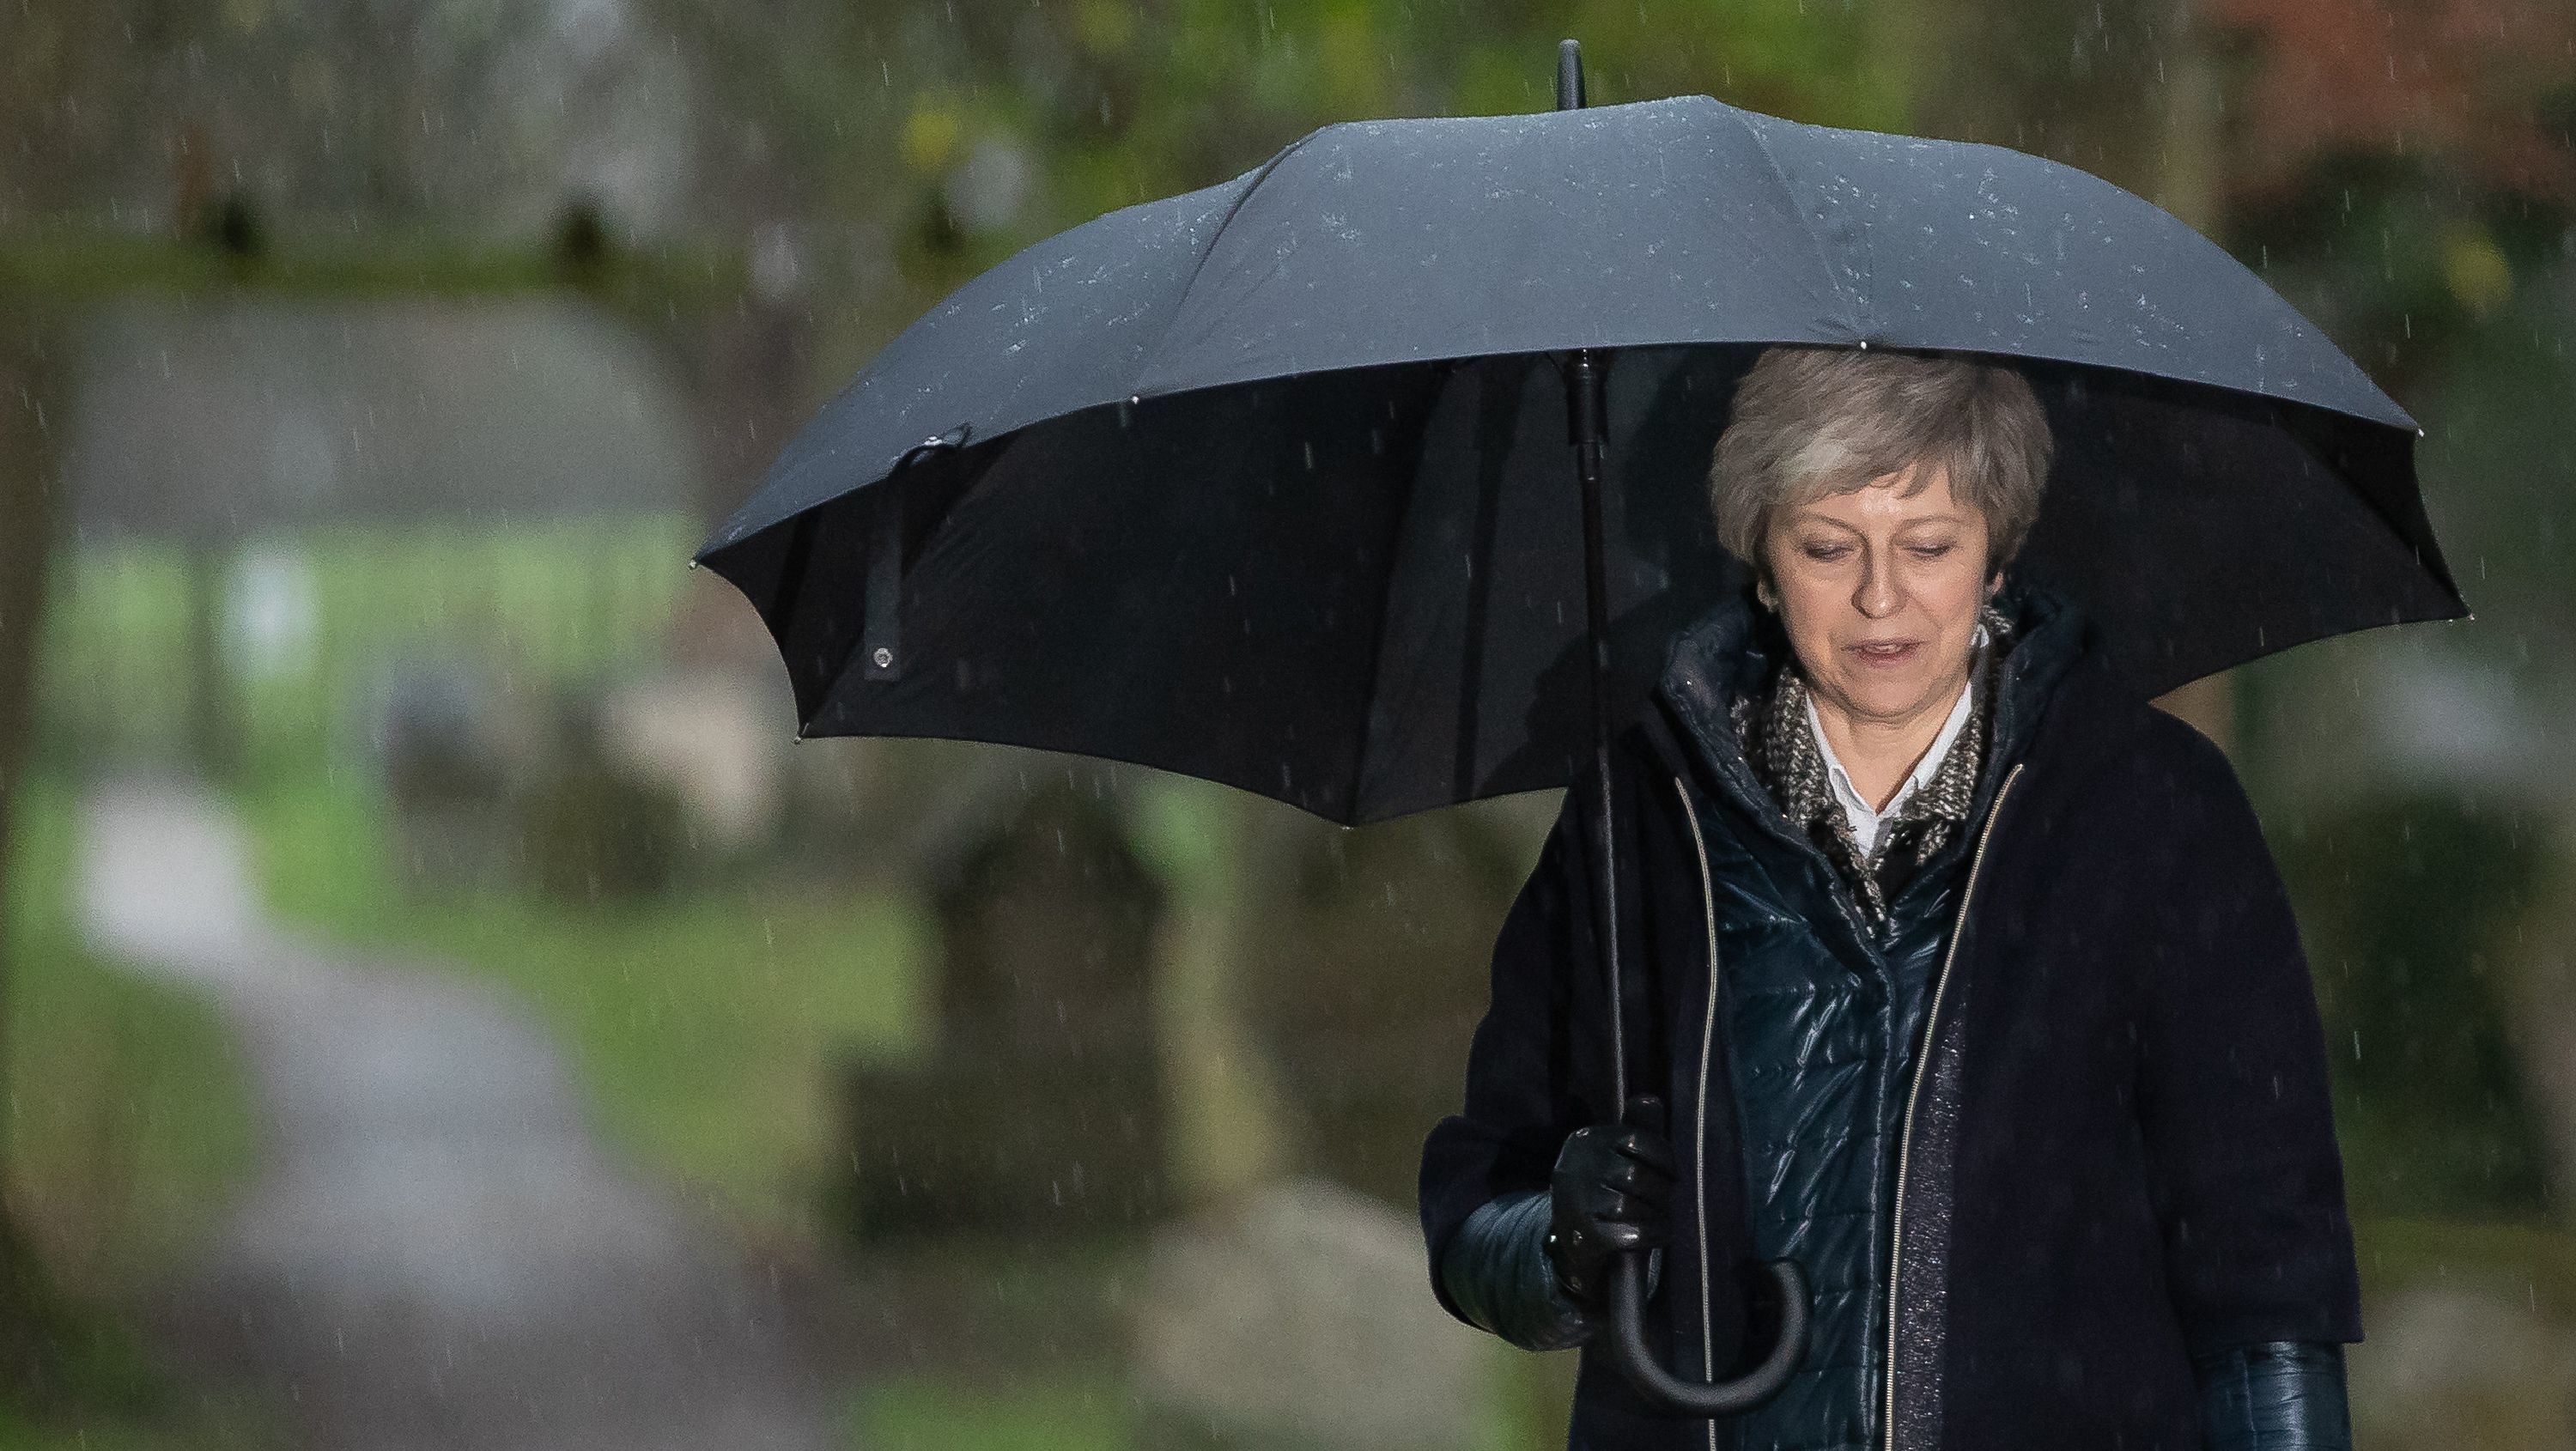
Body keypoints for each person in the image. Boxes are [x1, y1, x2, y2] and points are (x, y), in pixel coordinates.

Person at [1417, 344, 2362, 1450]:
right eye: (1827, 547)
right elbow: (1479, 1212)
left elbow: (2265, 1267)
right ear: (1761, 565)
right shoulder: (1636, 819)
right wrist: (1561, 1241)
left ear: (1997, 558)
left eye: (1929, 545)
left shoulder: (2155, 812)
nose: (1880, 597)